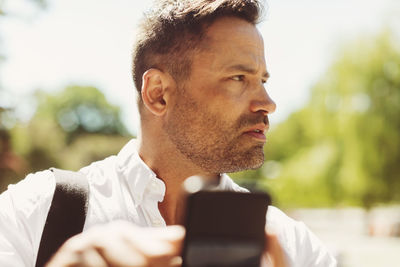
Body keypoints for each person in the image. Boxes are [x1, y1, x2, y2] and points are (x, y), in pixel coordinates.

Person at [0, 0, 337, 266]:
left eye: (263, 81)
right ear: (158, 93)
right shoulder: (35, 211)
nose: (268, 103)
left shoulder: (295, 247)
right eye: (239, 78)